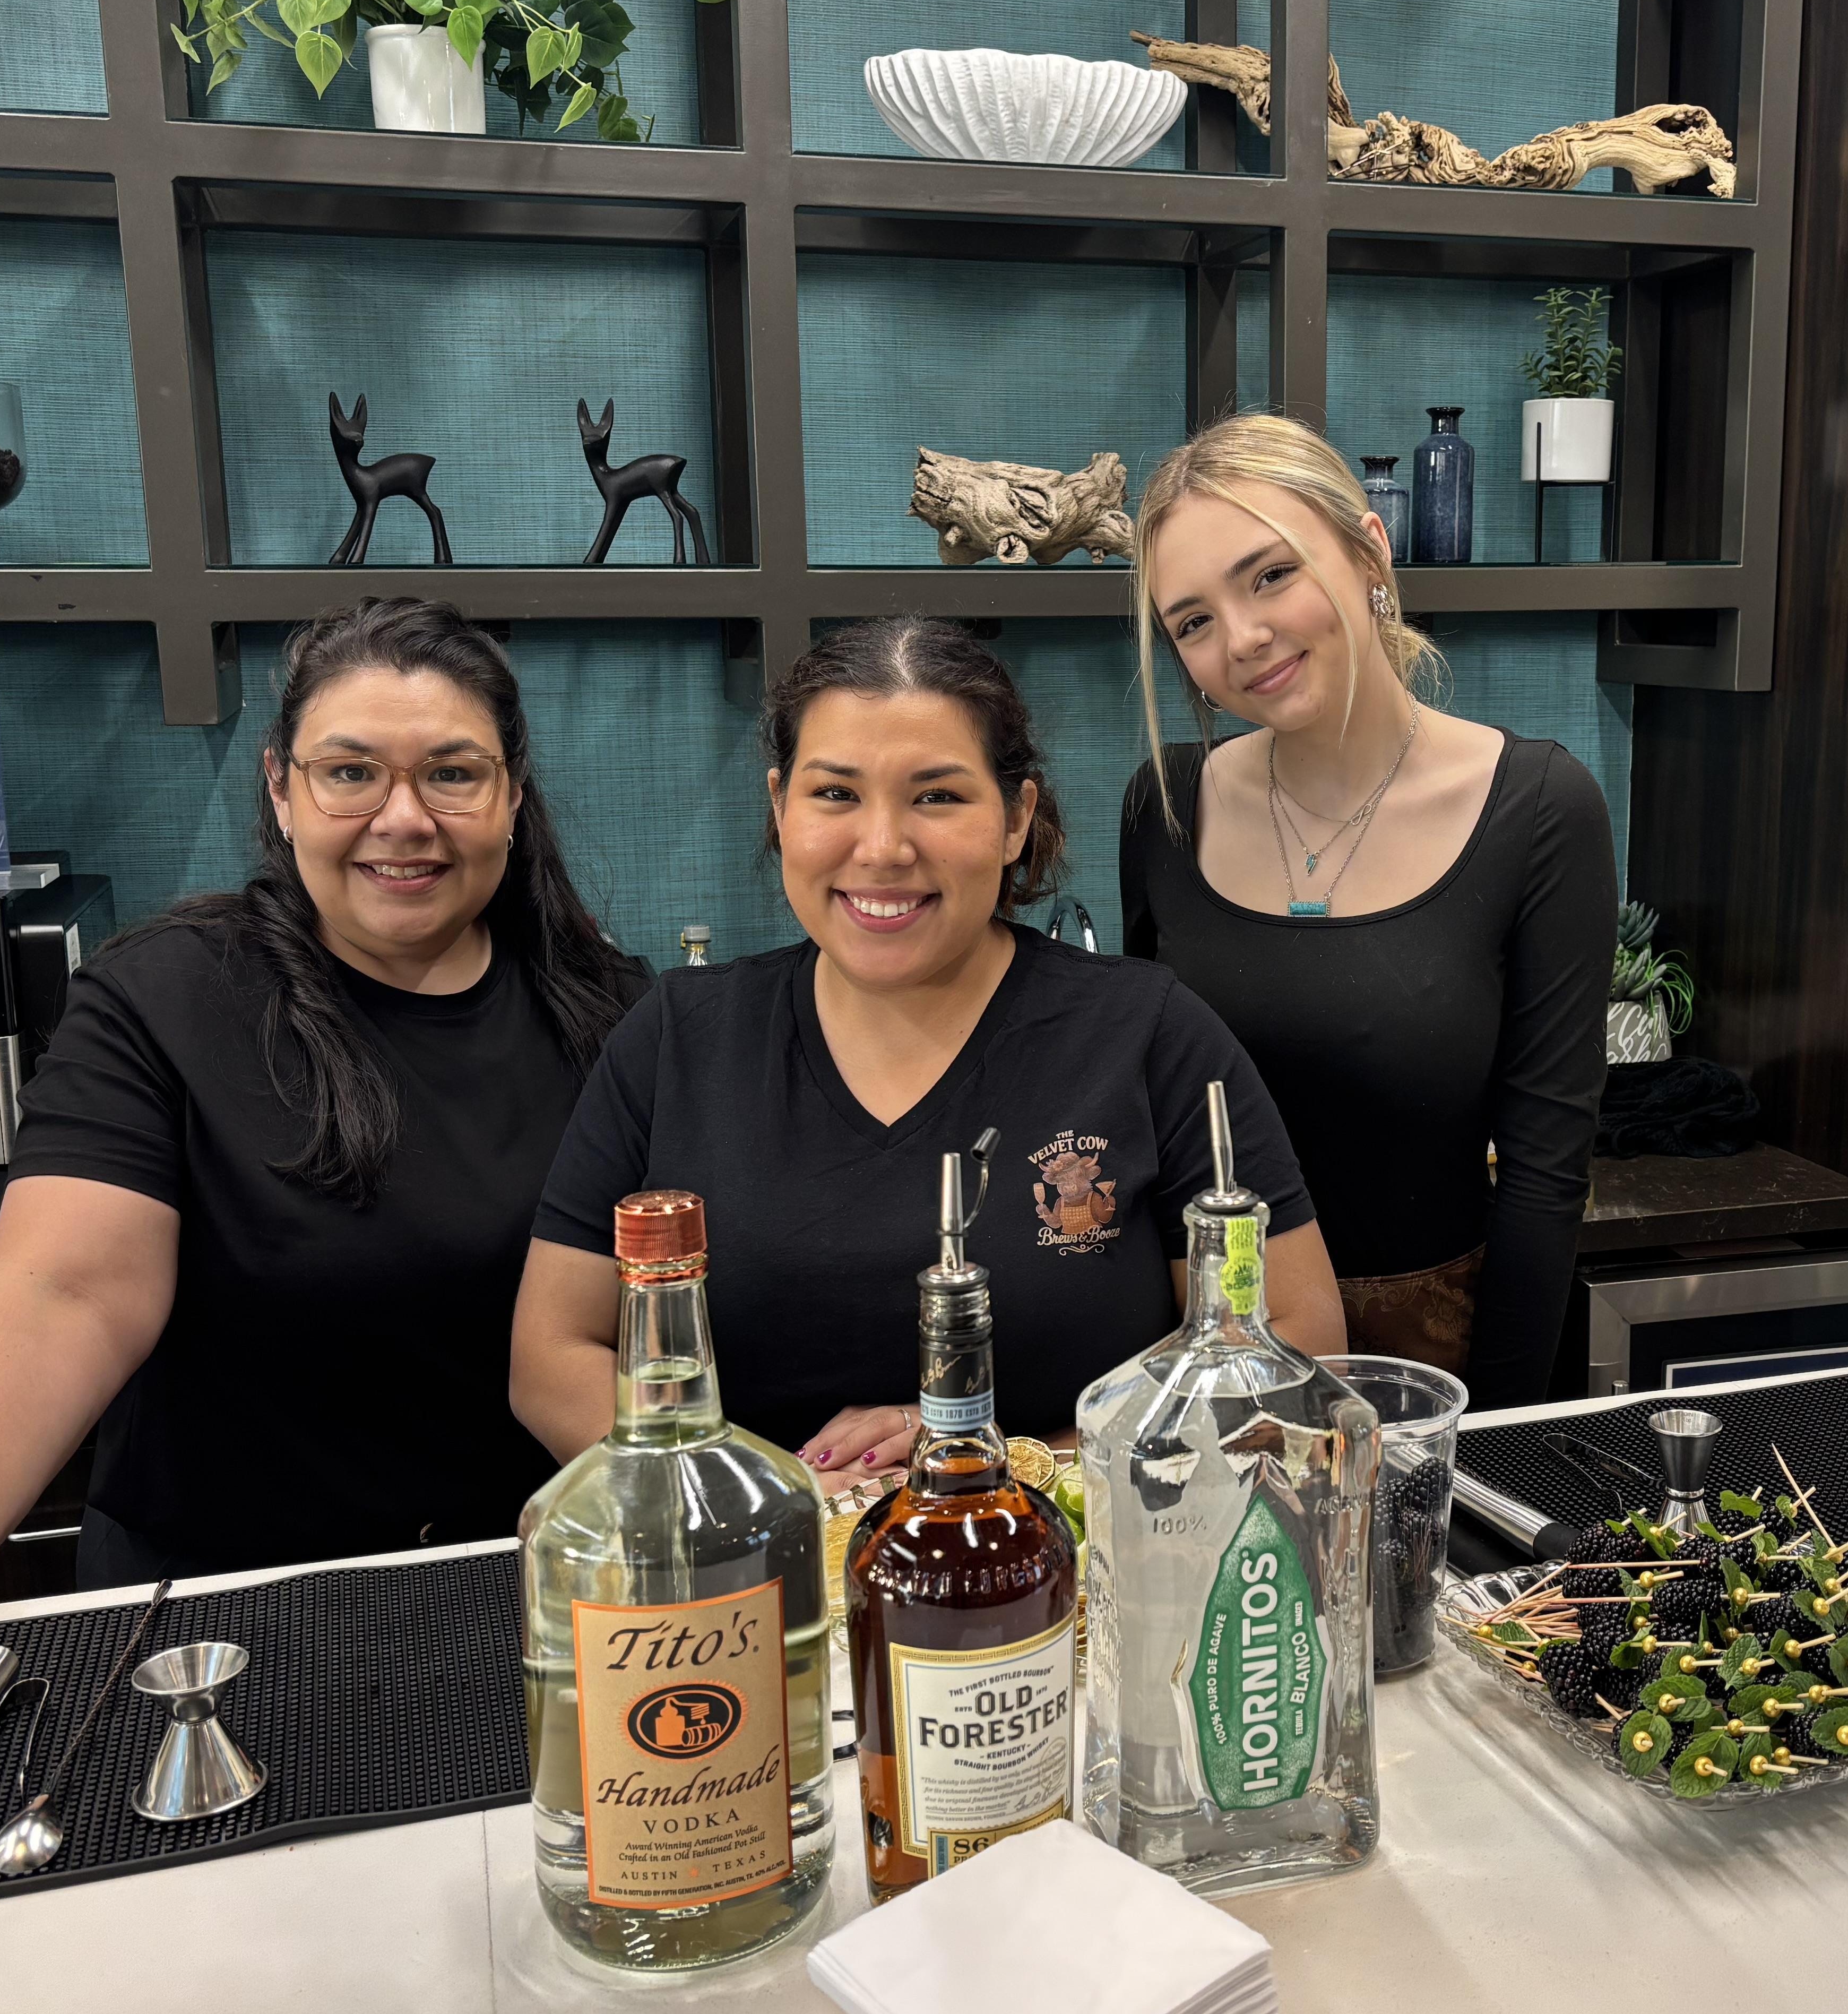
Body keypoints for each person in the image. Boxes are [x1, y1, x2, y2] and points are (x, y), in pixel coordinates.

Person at [0, 599, 647, 1654]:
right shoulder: (164, 998)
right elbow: (64, 1287)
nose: (404, 818)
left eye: (452, 773)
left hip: (535, 1604)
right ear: (282, 789)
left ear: (512, 793)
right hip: (220, 1624)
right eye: (350, 772)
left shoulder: (614, 1015)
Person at [512, 616, 1344, 1482]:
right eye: (835, 794)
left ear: (1017, 819)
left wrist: (1001, 1463)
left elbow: (1298, 1341)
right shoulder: (677, 1038)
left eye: (938, 797)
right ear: (780, 806)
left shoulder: (1148, 1036)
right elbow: (552, 1355)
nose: (882, 849)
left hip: (1079, 1544)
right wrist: (768, 1497)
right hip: (750, 1557)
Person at [1119, 413, 1616, 1406]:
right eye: (1193, 622)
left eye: (1271, 576)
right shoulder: (1165, 806)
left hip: (1435, 1368)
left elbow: (1544, 1175)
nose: (1243, 639)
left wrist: (1491, 1445)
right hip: (1219, 1375)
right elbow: (1149, 1132)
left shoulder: (1538, 809)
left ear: (1370, 551)